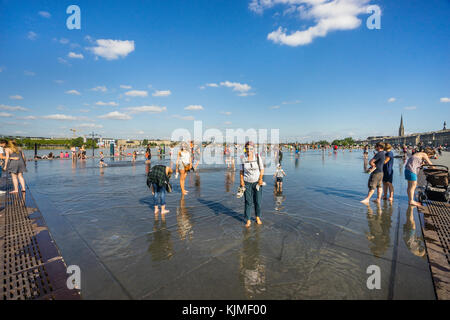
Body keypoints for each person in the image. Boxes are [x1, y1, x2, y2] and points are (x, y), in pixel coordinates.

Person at [240, 141, 264, 227]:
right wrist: (242, 182)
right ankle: (248, 219)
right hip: (247, 183)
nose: (248, 150)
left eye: (250, 148)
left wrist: (261, 179)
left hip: (257, 182)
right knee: (248, 201)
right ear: (245, 149)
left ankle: (257, 217)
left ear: (253, 149)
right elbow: (241, 171)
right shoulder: (243, 158)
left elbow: (262, 169)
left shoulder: (257, 157)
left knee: (257, 201)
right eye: (247, 148)